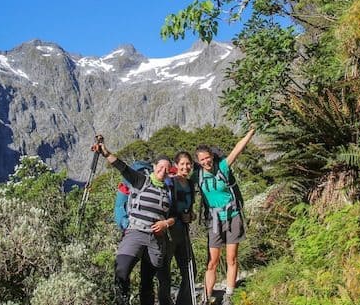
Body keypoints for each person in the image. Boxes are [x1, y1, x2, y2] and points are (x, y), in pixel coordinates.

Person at [96, 137, 176, 305]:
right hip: (136, 233)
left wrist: (166, 224)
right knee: (121, 271)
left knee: (147, 283)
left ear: (169, 172)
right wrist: (106, 153)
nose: (163, 170)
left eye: (166, 169)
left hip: (156, 239)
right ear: (154, 167)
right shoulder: (142, 180)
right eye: (160, 166)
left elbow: (173, 216)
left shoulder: (168, 190)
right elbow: (123, 168)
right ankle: (122, 302)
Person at [192, 129, 255, 305]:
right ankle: (206, 296)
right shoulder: (197, 176)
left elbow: (237, 149)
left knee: (231, 258)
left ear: (212, 156)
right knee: (212, 261)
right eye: (202, 159)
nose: (206, 161)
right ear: (198, 161)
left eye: (208, 157)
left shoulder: (223, 167)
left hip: (232, 216)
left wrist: (250, 133)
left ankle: (229, 294)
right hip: (213, 220)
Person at [158, 151, 197, 305]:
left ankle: (183, 301)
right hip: (169, 233)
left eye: (188, 164)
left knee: (190, 270)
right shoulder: (170, 183)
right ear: (176, 165)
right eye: (182, 164)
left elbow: (190, 209)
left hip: (183, 232)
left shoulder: (190, 184)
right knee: (164, 272)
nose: (185, 167)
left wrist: (192, 216)